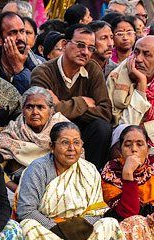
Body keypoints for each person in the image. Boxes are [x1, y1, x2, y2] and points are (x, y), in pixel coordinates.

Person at [17, 122, 128, 240]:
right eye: (65, 143)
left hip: (80, 227)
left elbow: (97, 209)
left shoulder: (89, 169)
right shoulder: (38, 169)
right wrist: (57, 229)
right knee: (28, 227)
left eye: (76, 143)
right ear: (52, 146)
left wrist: (77, 227)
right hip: (48, 229)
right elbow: (26, 210)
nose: (71, 149)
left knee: (109, 225)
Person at [31, 25, 113, 169]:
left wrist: (61, 106)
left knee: (102, 127)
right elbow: (44, 114)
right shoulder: (42, 72)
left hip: (84, 132)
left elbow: (106, 112)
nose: (85, 52)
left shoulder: (92, 69)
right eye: (80, 45)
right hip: (52, 132)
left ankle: (91, 175)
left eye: (91, 48)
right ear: (64, 44)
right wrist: (82, 102)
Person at [0, 86, 70, 184]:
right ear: (22, 110)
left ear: (51, 110)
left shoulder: (65, 131)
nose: (35, 112)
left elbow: (74, 163)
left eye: (40, 107)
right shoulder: (13, 131)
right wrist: (13, 187)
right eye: (29, 107)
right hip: (17, 185)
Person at [0, 12, 45, 94]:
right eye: (13, 33)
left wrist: (19, 69)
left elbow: (38, 96)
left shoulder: (41, 64)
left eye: (22, 31)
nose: (20, 37)